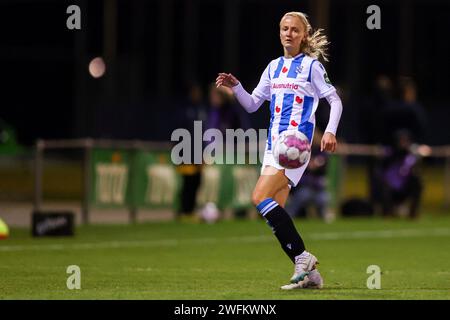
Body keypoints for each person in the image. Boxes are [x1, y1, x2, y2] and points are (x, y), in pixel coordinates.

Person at [216, 11, 343, 289]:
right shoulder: (273, 67)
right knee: (276, 213)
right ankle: (310, 276)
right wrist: (236, 87)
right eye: (285, 29)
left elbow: (334, 101)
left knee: (258, 196)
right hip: (273, 147)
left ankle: (303, 257)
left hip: (295, 146)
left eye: (295, 30)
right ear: (279, 33)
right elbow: (252, 104)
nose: (289, 33)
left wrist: (331, 130)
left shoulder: (311, 67)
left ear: (304, 35)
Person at [286, 130, 330, 221]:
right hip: (304, 187)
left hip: (317, 188)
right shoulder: (301, 150)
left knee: (323, 198)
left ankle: (323, 218)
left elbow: (320, 165)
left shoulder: (321, 151)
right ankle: (288, 217)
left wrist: (314, 165)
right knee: (302, 195)